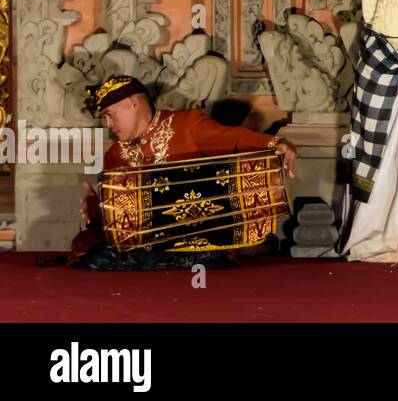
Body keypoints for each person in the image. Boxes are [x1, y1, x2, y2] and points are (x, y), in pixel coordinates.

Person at [71, 75, 297, 269]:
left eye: (110, 114)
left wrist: (275, 143)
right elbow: (122, 224)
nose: (108, 124)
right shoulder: (115, 155)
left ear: (132, 104)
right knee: (93, 252)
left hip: (200, 239)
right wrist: (100, 211)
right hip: (149, 244)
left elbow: (232, 138)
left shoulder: (185, 123)